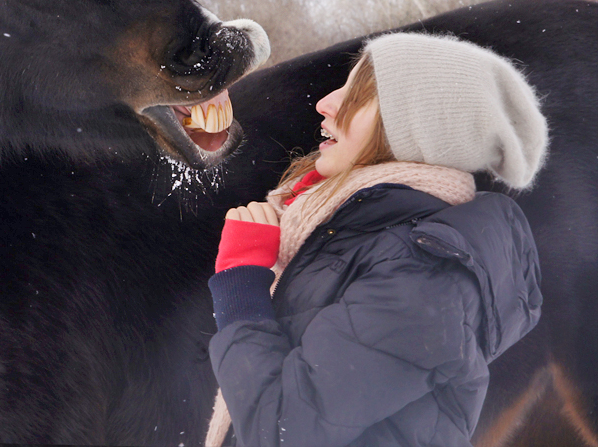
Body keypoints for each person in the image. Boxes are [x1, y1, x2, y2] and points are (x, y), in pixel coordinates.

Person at [205, 32, 548, 447]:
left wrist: (242, 285)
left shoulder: (422, 274)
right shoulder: (351, 234)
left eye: (358, 95)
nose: (325, 103)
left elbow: (283, 430)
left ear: (417, 129)